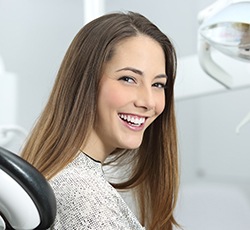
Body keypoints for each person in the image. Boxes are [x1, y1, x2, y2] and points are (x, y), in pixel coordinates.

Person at [21, 11, 179, 230]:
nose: (149, 102)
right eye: (128, 79)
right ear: (85, 82)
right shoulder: (84, 194)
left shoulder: (69, 178)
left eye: (158, 84)